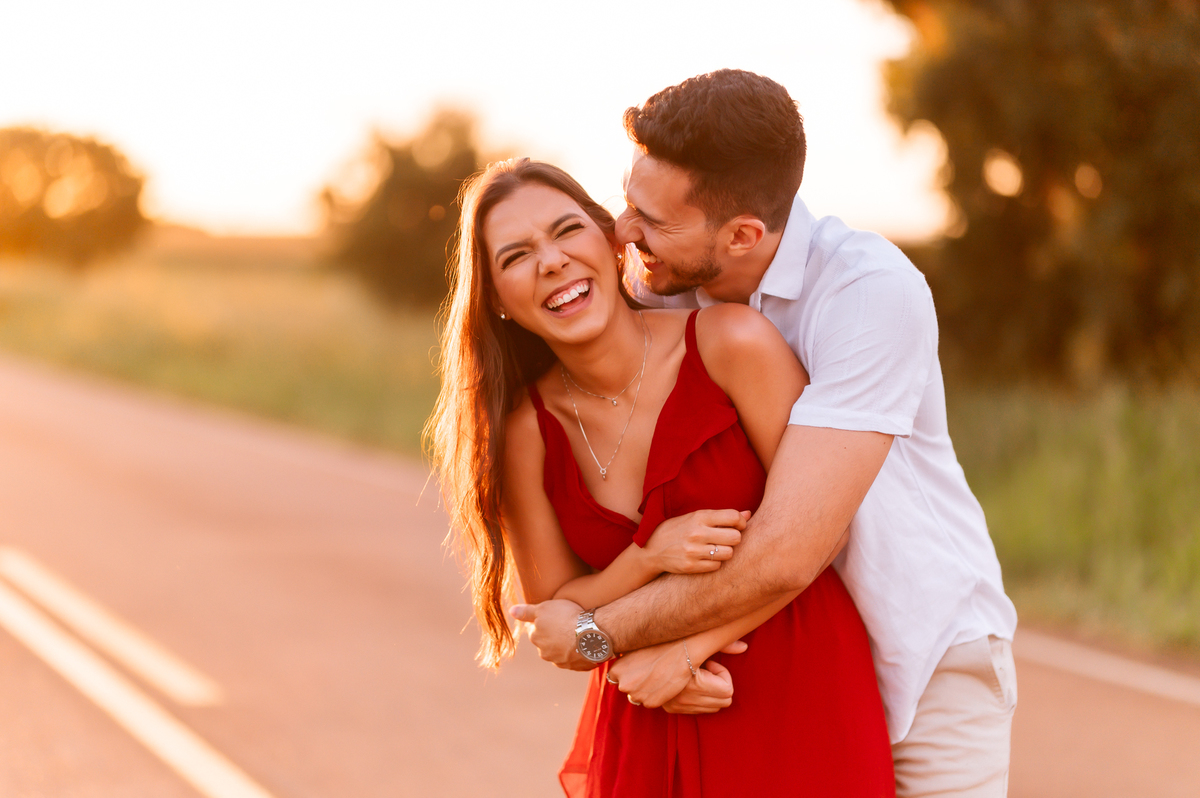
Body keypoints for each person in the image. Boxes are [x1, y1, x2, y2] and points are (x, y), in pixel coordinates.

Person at [510, 70, 1020, 797]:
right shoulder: (665, 286)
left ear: (744, 234)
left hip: (926, 653)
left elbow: (792, 547)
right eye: (629, 203)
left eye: (652, 219)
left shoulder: (868, 292)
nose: (624, 231)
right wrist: (679, 645)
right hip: (784, 656)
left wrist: (611, 636)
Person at [427, 157, 895, 796]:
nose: (551, 261)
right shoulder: (524, 431)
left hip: (796, 688)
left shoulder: (732, 343)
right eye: (514, 257)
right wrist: (647, 558)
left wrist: (684, 650)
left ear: (609, 239)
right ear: (496, 299)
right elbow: (558, 612)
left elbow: (819, 534)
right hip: (648, 712)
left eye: (567, 231)